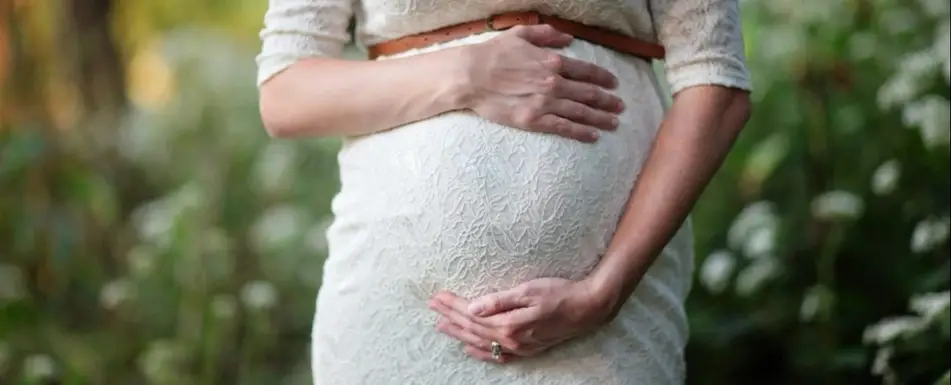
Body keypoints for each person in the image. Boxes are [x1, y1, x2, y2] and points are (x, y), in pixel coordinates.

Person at [256, 0, 751, 384]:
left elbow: (717, 82)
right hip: (393, 317)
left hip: (609, 326)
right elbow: (284, 95)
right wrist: (465, 75)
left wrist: (603, 292)